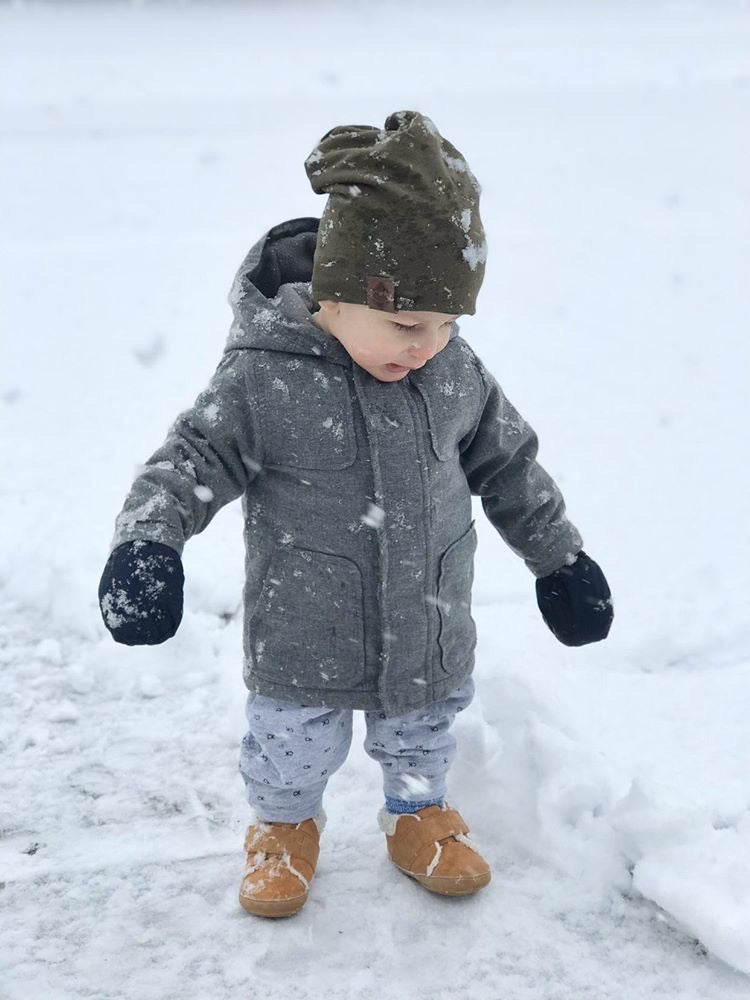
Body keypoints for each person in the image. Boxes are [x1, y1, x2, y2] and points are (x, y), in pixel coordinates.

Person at [98, 110, 613, 919]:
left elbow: (509, 465)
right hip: (305, 628)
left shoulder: (452, 374)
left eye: (449, 323)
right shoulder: (265, 378)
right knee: (292, 744)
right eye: (409, 322)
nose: (430, 344)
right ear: (336, 295)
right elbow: (190, 463)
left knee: (423, 730)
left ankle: (420, 815)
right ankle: (283, 827)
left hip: (427, 618)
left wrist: (559, 558)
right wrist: (148, 544)